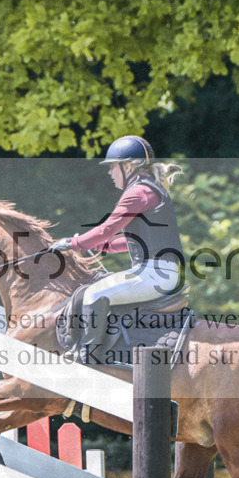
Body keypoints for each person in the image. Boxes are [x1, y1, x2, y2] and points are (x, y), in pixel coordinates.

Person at [50, 135, 185, 350]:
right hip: (161, 272)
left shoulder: (138, 192)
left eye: (113, 166)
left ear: (128, 166)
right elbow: (134, 240)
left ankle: (87, 355)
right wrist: (102, 245)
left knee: (94, 294)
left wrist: (74, 243)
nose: (109, 172)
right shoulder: (148, 189)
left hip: (155, 274)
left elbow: (107, 228)